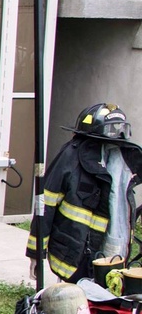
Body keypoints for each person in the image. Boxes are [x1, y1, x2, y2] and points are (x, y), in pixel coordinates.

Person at [26, 103, 142, 283]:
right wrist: (36, 252)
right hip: (72, 255)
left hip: (106, 256)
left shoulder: (123, 164)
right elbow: (45, 205)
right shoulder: (71, 157)